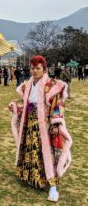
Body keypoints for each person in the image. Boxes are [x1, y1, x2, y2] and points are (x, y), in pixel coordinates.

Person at [9, 56, 72, 202]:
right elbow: (26, 105)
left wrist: (56, 123)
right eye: (32, 68)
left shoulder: (52, 84)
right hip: (29, 124)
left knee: (47, 153)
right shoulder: (27, 84)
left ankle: (52, 186)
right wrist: (16, 108)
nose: (34, 71)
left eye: (38, 68)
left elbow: (58, 105)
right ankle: (31, 177)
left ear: (44, 69)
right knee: (30, 149)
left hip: (45, 125)